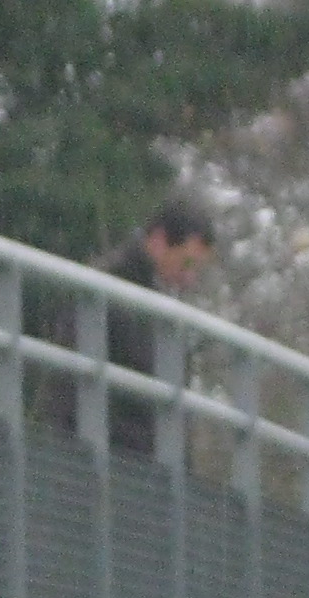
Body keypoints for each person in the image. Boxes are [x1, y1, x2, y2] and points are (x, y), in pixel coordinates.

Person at [81, 189, 219, 455]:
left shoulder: (153, 300)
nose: (189, 278)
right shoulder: (107, 291)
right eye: (186, 263)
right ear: (158, 241)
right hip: (116, 461)